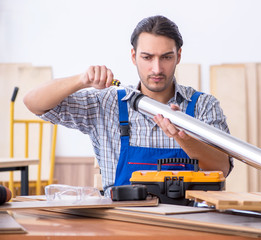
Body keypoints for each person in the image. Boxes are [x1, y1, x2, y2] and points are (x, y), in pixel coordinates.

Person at [24, 15, 233, 197]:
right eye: (147, 57)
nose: (157, 68)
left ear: (178, 56)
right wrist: (81, 80)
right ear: (134, 57)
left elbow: (222, 168)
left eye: (166, 57)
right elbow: (33, 103)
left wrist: (183, 137)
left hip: (188, 222)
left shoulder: (203, 106)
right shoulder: (106, 104)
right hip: (123, 221)